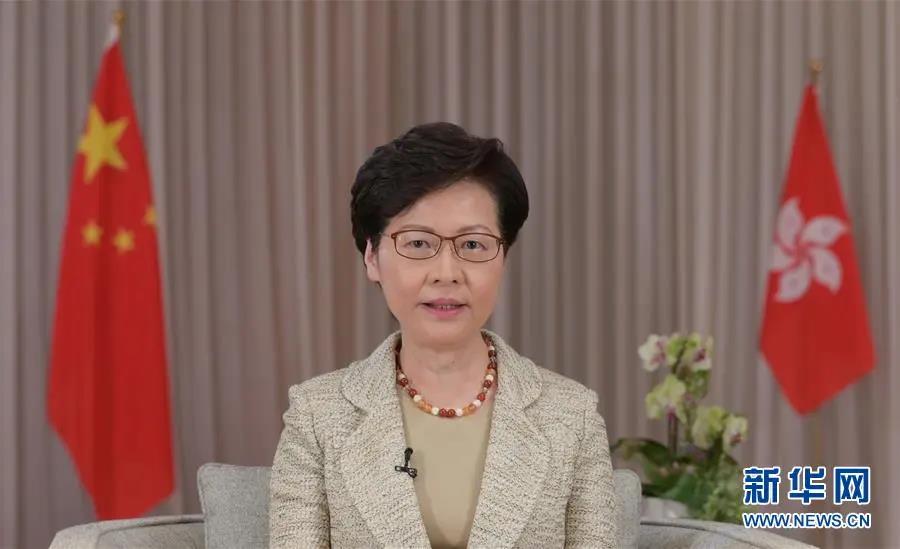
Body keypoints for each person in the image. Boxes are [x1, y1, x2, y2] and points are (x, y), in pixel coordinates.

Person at [269, 122, 617, 548]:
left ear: (503, 257)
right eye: (418, 244)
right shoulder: (316, 417)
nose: (447, 273)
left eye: (472, 245)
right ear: (372, 257)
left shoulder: (572, 417)